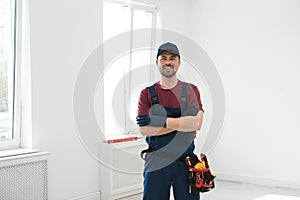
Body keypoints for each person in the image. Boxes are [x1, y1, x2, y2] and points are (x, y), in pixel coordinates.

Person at [136, 42, 204, 200]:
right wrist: (183, 122)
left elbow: (196, 124)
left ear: (179, 63)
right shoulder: (147, 93)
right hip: (156, 162)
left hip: (185, 162)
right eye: (163, 58)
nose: (168, 62)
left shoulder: (190, 90)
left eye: (172, 58)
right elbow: (145, 130)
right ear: (157, 62)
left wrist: (160, 121)